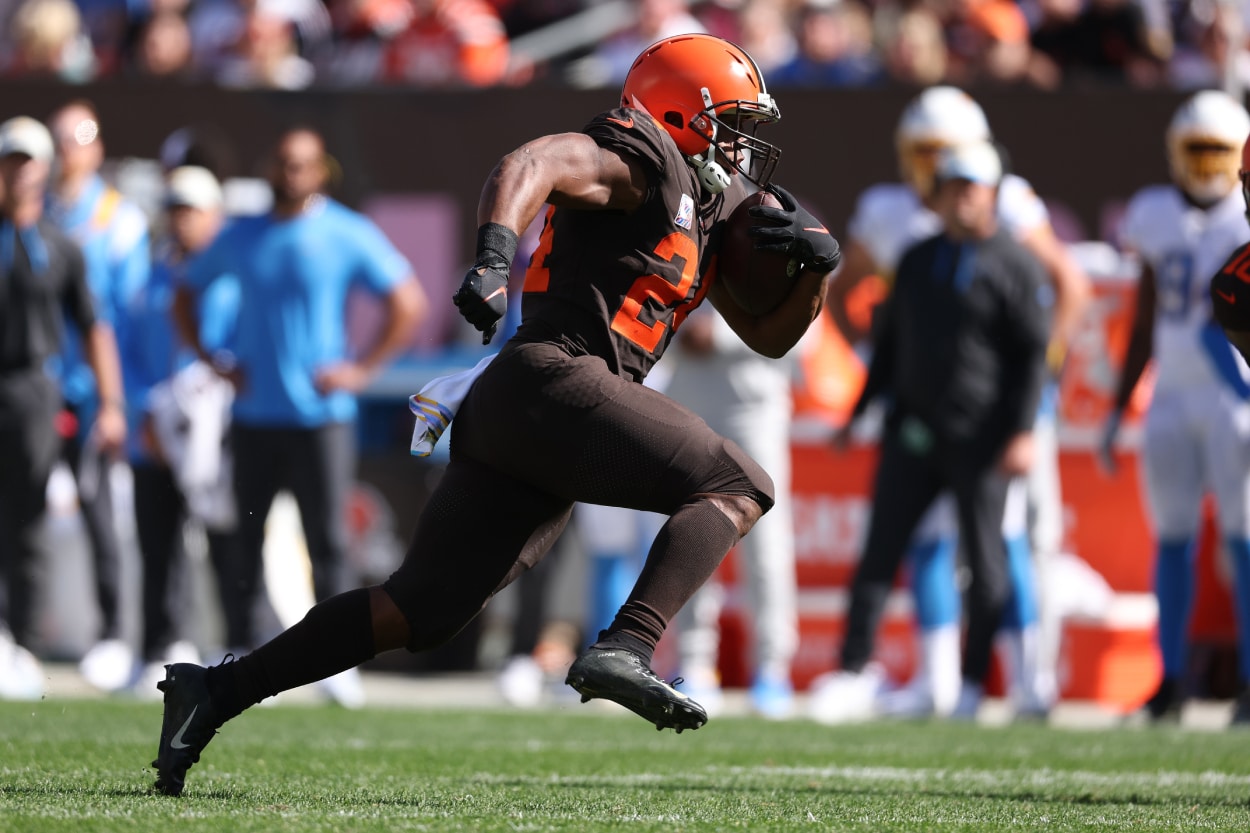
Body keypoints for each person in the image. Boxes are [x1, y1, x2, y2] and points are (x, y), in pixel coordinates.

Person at [150, 33, 840, 797]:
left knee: (417, 609)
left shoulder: (705, 207)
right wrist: (489, 259)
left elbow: (769, 338)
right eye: (730, 120)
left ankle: (213, 693)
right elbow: (530, 164)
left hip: (539, 409)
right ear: (681, 112)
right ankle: (628, 644)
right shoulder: (640, 156)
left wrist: (815, 273)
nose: (741, 143)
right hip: (554, 374)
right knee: (737, 480)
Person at [816, 86, 1089, 721]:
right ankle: (927, 679)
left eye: (959, 167)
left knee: (1003, 549)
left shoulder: (1014, 245)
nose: (953, 186)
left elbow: (1043, 329)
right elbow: (879, 333)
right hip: (918, 423)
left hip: (991, 427)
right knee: (905, 549)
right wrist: (865, 403)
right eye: (933, 160)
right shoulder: (910, 243)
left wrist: (1028, 411)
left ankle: (1018, 680)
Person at [171, 126, 428, 708]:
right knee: (243, 536)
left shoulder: (345, 231)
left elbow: (408, 302)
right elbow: (185, 292)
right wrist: (213, 360)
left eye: (301, 165)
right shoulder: (243, 235)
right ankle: (238, 647)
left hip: (321, 416)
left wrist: (361, 369)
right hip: (256, 414)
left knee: (329, 540)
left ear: (320, 171)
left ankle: (335, 662)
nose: (291, 174)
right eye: (283, 163)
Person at [1103, 90, 1250, 724]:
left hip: (1234, 395)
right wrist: (1117, 405)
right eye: (1196, 149)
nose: (1206, 162)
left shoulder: (1243, 218)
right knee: (1172, 538)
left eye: (1218, 150)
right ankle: (1170, 679)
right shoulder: (1154, 212)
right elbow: (1144, 316)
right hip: (1170, 394)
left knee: (1246, 538)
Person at [0, 115, 126, 699]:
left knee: (26, 518)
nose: (19, 172)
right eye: (11, 161)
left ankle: (18, 639)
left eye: (28, 161)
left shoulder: (60, 246)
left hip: (33, 390)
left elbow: (94, 327)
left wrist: (110, 402)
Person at [44, 99, 152, 693]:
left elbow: (127, 319)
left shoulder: (118, 219)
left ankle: (115, 632)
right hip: (40, 380)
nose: (69, 149)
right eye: (60, 137)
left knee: (99, 508)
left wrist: (120, 399)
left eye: (80, 136)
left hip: (96, 388)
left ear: (98, 145)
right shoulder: (35, 214)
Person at [120, 166, 240, 696]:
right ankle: (159, 646)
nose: (181, 220)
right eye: (175, 209)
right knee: (157, 540)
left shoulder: (230, 278)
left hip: (216, 430)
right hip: (153, 431)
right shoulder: (147, 276)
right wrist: (146, 412)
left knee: (227, 537)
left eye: (191, 210)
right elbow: (124, 349)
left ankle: (234, 644)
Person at [666, 303, 799, 719]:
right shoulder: (684, 234)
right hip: (686, 399)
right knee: (688, 534)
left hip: (753, 406)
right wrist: (679, 329)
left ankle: (772, 668)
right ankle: (694, 665)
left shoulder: (780, 237)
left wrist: (720, 336)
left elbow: (805, 322)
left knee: (766, 544)